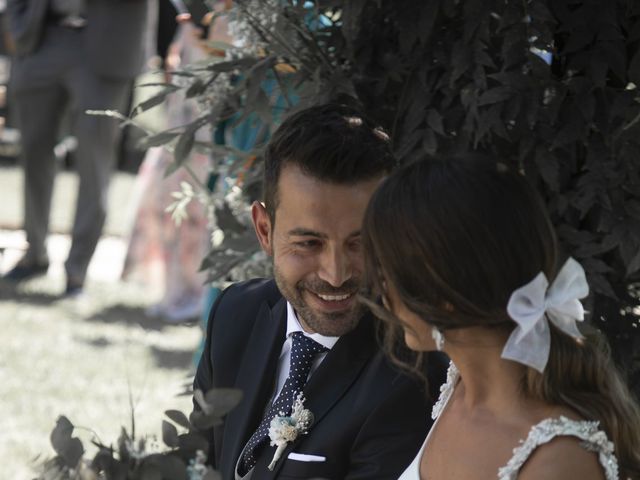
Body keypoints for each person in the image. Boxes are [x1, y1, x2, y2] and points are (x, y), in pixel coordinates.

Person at [193, 103, 448, 479]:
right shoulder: (235, 313)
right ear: (264, 230)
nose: (335, 274)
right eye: (309, 243)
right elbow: (200, 463)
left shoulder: (412, 374)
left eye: (360, 243)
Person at [360, 156, 640, 479]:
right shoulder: (459, 389)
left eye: (387, 273)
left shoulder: (558, 461)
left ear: (445, 293)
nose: (382, 291)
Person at [4, 0, 150, 296]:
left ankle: (77, 271)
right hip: (42, 37)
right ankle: (35, 253)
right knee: (33, 151)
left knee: (94, 160)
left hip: (107, 44)